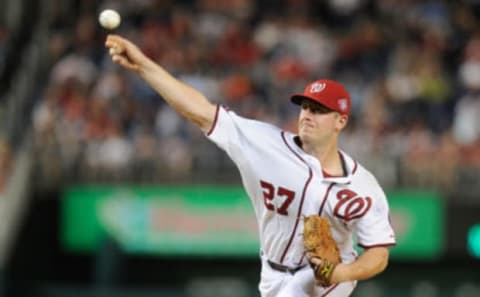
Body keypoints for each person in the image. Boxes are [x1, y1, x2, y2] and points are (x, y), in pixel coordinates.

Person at [105, 34, 396, 297]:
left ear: (340, 121)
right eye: (306, 107)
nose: (307, 114)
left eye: (319, 110)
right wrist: (143, 65)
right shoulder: (265, 144)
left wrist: (343, 272)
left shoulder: (362, 186)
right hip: (271, 273)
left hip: (326, 279)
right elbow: (202, 112)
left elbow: (378, 253)